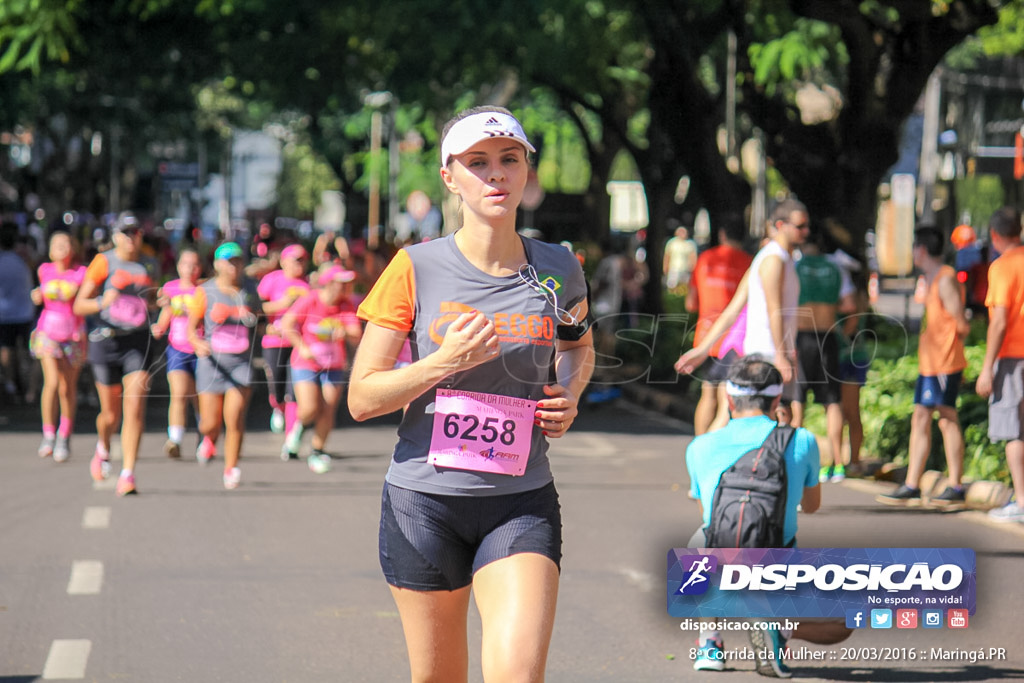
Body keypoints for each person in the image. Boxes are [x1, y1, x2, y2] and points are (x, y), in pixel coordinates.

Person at [348, 106, 595, 683]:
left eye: (510, 160)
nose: (496, 175)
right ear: (449, 177)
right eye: (477, 163)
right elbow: (362, 397)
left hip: (520, 500)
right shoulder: (413, 268)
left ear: (526, 172)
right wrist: (442, 363)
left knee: (517, 676)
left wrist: (570, 393)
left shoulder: (559, 268)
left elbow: (579, 346)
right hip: (423, 503)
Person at [685, 355, 850, 677]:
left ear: (729, 398)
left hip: (718, 564)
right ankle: (779, 627)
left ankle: (709, 642)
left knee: (700, 540)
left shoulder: (700, 446)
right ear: (777, 399)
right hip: (775, 562)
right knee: (845, 622)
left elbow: (709, 514)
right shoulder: (801, 440)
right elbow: (812, 505)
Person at [676, 199, 809, 398]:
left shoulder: (775, 258)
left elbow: (733, 310)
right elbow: (774, 310)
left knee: (766, 419)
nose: (806, 231)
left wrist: (703, 349)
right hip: (766, 355)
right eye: (800, 226)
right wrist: (781, 356)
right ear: (781, 225)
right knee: (767, 418)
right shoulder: (774, 259)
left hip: (767, 354)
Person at [877, 227, 970, 507]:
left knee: (946, 419)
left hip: (943, 363)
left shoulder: (945, 279)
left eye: (914, 247)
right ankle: (912, 484)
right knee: (921, 418)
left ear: (922, 250)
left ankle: (955, 485)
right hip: (930, 364)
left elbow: (961, 324)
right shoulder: (931, 279)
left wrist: (953, 357)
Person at [73, 214, 156, 496]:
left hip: (138, 340)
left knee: (134, 407)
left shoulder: (149, 262)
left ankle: (128, 473)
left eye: (136, 232)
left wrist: (161, 303)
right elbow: (78, 305)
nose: (131, 237)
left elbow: (152, 297)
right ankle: (104, 446)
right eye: (126, 232)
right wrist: (100, 302)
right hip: (106, 341)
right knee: (110, 415)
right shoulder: (103, 262)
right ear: (116, 236)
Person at [187, 242, 261, 490]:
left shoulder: (250, 290)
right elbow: (191, 329)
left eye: (237, 261)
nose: (233, 266)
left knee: (235, 416)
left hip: (240, 363)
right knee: (210, 422)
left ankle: (232, 467)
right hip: (212, 363)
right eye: (228, 261)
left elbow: (259, 319)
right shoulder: (205, 292)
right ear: (217, 265)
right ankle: (208, 437)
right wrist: (197, 343)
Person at [279, 265, 363, 471]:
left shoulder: (346, 305)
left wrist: (345, 332)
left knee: (328, 407)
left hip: (333, 365)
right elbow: (287, 324)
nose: (346, 287)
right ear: (330, 284)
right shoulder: (311, 299)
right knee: (309, 407)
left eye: (348, 283)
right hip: (306, 362)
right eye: (342, 283)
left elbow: (356, 333)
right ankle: (298, 430)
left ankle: (317, 450)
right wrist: (302, 347)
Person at [792, 233, 856, 482]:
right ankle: (838, 464)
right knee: (832, 402)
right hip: (827, 337)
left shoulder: (795, 266)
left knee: (798, 402)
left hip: (801, 338)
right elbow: (850, 305)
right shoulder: (836, 268)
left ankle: (794, 462)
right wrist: (831, 308)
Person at [976, 207, 1024, 522]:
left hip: (1013, 356)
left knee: (1013, 430)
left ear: (994, 236)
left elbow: (999, 322)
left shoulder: (1002, 267)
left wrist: (986, 367)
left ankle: (1021, 502)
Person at [685, 222, 752, 434]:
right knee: (726, 402)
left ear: (722, 233)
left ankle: (699, 446)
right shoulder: (749, 263)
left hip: (705, 338)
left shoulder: (705, 259)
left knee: (708, 395)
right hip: (734, 340)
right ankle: (716, 451)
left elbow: (690, 303)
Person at [29, 231, 87, 462]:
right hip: (47, 331)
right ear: (50, 250)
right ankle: (48, 434)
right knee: (51, 382)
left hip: (72, 334)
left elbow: (85, 300)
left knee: (66, 388)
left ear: (72, 248)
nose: (61, 247)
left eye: (66, 244)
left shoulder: (81, 273)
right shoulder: (44, 270)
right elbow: (39, 296)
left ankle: (65, 435)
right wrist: (36, 296)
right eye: (56, 244)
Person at [150, 247, 203, 459]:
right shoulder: (171, 288)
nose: (190, 269)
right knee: (179, 394)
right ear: (179, 266)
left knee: (199, 397)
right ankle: (175, 439)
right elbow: (167, 312)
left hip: (201, 350)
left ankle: (204, 435)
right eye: (186, 264)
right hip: (177, 349)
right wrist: (159, 328)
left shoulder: (205, 290)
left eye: (195, 265)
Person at [257, 243, 311, 438]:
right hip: (274, 341)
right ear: (283, 262)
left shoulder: (307, 285)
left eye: (303, 260)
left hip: (298, 343)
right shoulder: (272, 280)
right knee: (277, 384)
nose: (300, 264)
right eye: (296, 260)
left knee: (293, 389)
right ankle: (277, 407)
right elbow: (256, 308)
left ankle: (291, 434)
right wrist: (280, 305)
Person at [0, 223, 36, 402]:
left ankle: (11, 382)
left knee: (8, 348)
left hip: (5, 314)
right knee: (25, 350)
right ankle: (27, 385)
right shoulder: (22, 260)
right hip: (24, 311)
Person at [664, 222, 698, 293]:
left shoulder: (690, 244)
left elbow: (693, 257)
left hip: (685, 269)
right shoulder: (671, 243)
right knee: (672, 287)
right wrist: (665, 267)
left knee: (685, 287)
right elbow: (667, 256)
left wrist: (693, 267)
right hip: (674, 268)